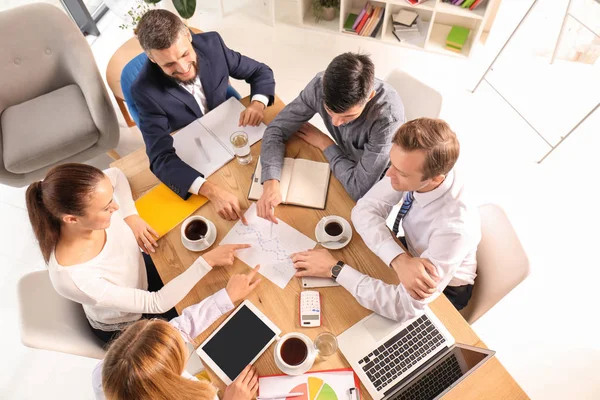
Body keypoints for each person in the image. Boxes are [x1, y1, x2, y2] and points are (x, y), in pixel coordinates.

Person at [26, 163, 249, 343]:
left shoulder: (90, 197)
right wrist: (206, 261)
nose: (115, 207)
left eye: (112, 198)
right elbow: (156, 304)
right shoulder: (74, 278)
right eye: (106, 208)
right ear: (71, 219)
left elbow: (116, 174)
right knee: (227, 320)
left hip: (142, 278)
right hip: (134, 326)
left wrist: (131, 216)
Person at [291, 118, 481, 322]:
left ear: (436, 178)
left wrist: (334, 269)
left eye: (401, 173)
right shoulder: (416, 169)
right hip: (410, 252)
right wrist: (400, 260)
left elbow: (403, 308)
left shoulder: (455, 229)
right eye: (393, 163)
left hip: (444, 291)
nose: (389, 174)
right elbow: (363, 210)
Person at [132, 9, 276, 222]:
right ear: (152, 59)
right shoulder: (144, 91)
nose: (183, 68)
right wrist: (211, 191)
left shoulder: (212, 43)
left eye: (185, 54)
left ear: (188, 36)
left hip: (232, 132)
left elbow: (260, 72)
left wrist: (257, 103)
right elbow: (159, 158)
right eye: (169, 64)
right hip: (198, 151)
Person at [257, 52, 404, 222]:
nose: (335, 123)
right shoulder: (319, 85)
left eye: (348, 117)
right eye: (328, 111)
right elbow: (276, 129)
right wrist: (270, 181)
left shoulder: (388, 119)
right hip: (345, 163)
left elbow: (359, 190)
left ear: (369, 97)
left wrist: (325, 143)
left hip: (379, 176)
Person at [93, 266, 262, 400]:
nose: (179, 334)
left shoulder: (107, 374)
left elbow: (178, 328)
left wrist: (226, 297)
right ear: (170, 378)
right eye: (179, 349)